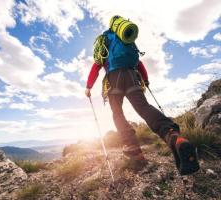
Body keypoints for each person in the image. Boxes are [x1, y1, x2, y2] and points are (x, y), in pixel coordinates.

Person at [85, 16, 199, 175]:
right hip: (132, 76)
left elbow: (96, 65)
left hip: (113, 79)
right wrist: (145, 80)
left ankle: (135, 152)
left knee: (117, 113)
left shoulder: (104, 40)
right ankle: (173, 136)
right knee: (143, 107)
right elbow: (138, 62)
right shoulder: (126, 39)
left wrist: (88, 87)